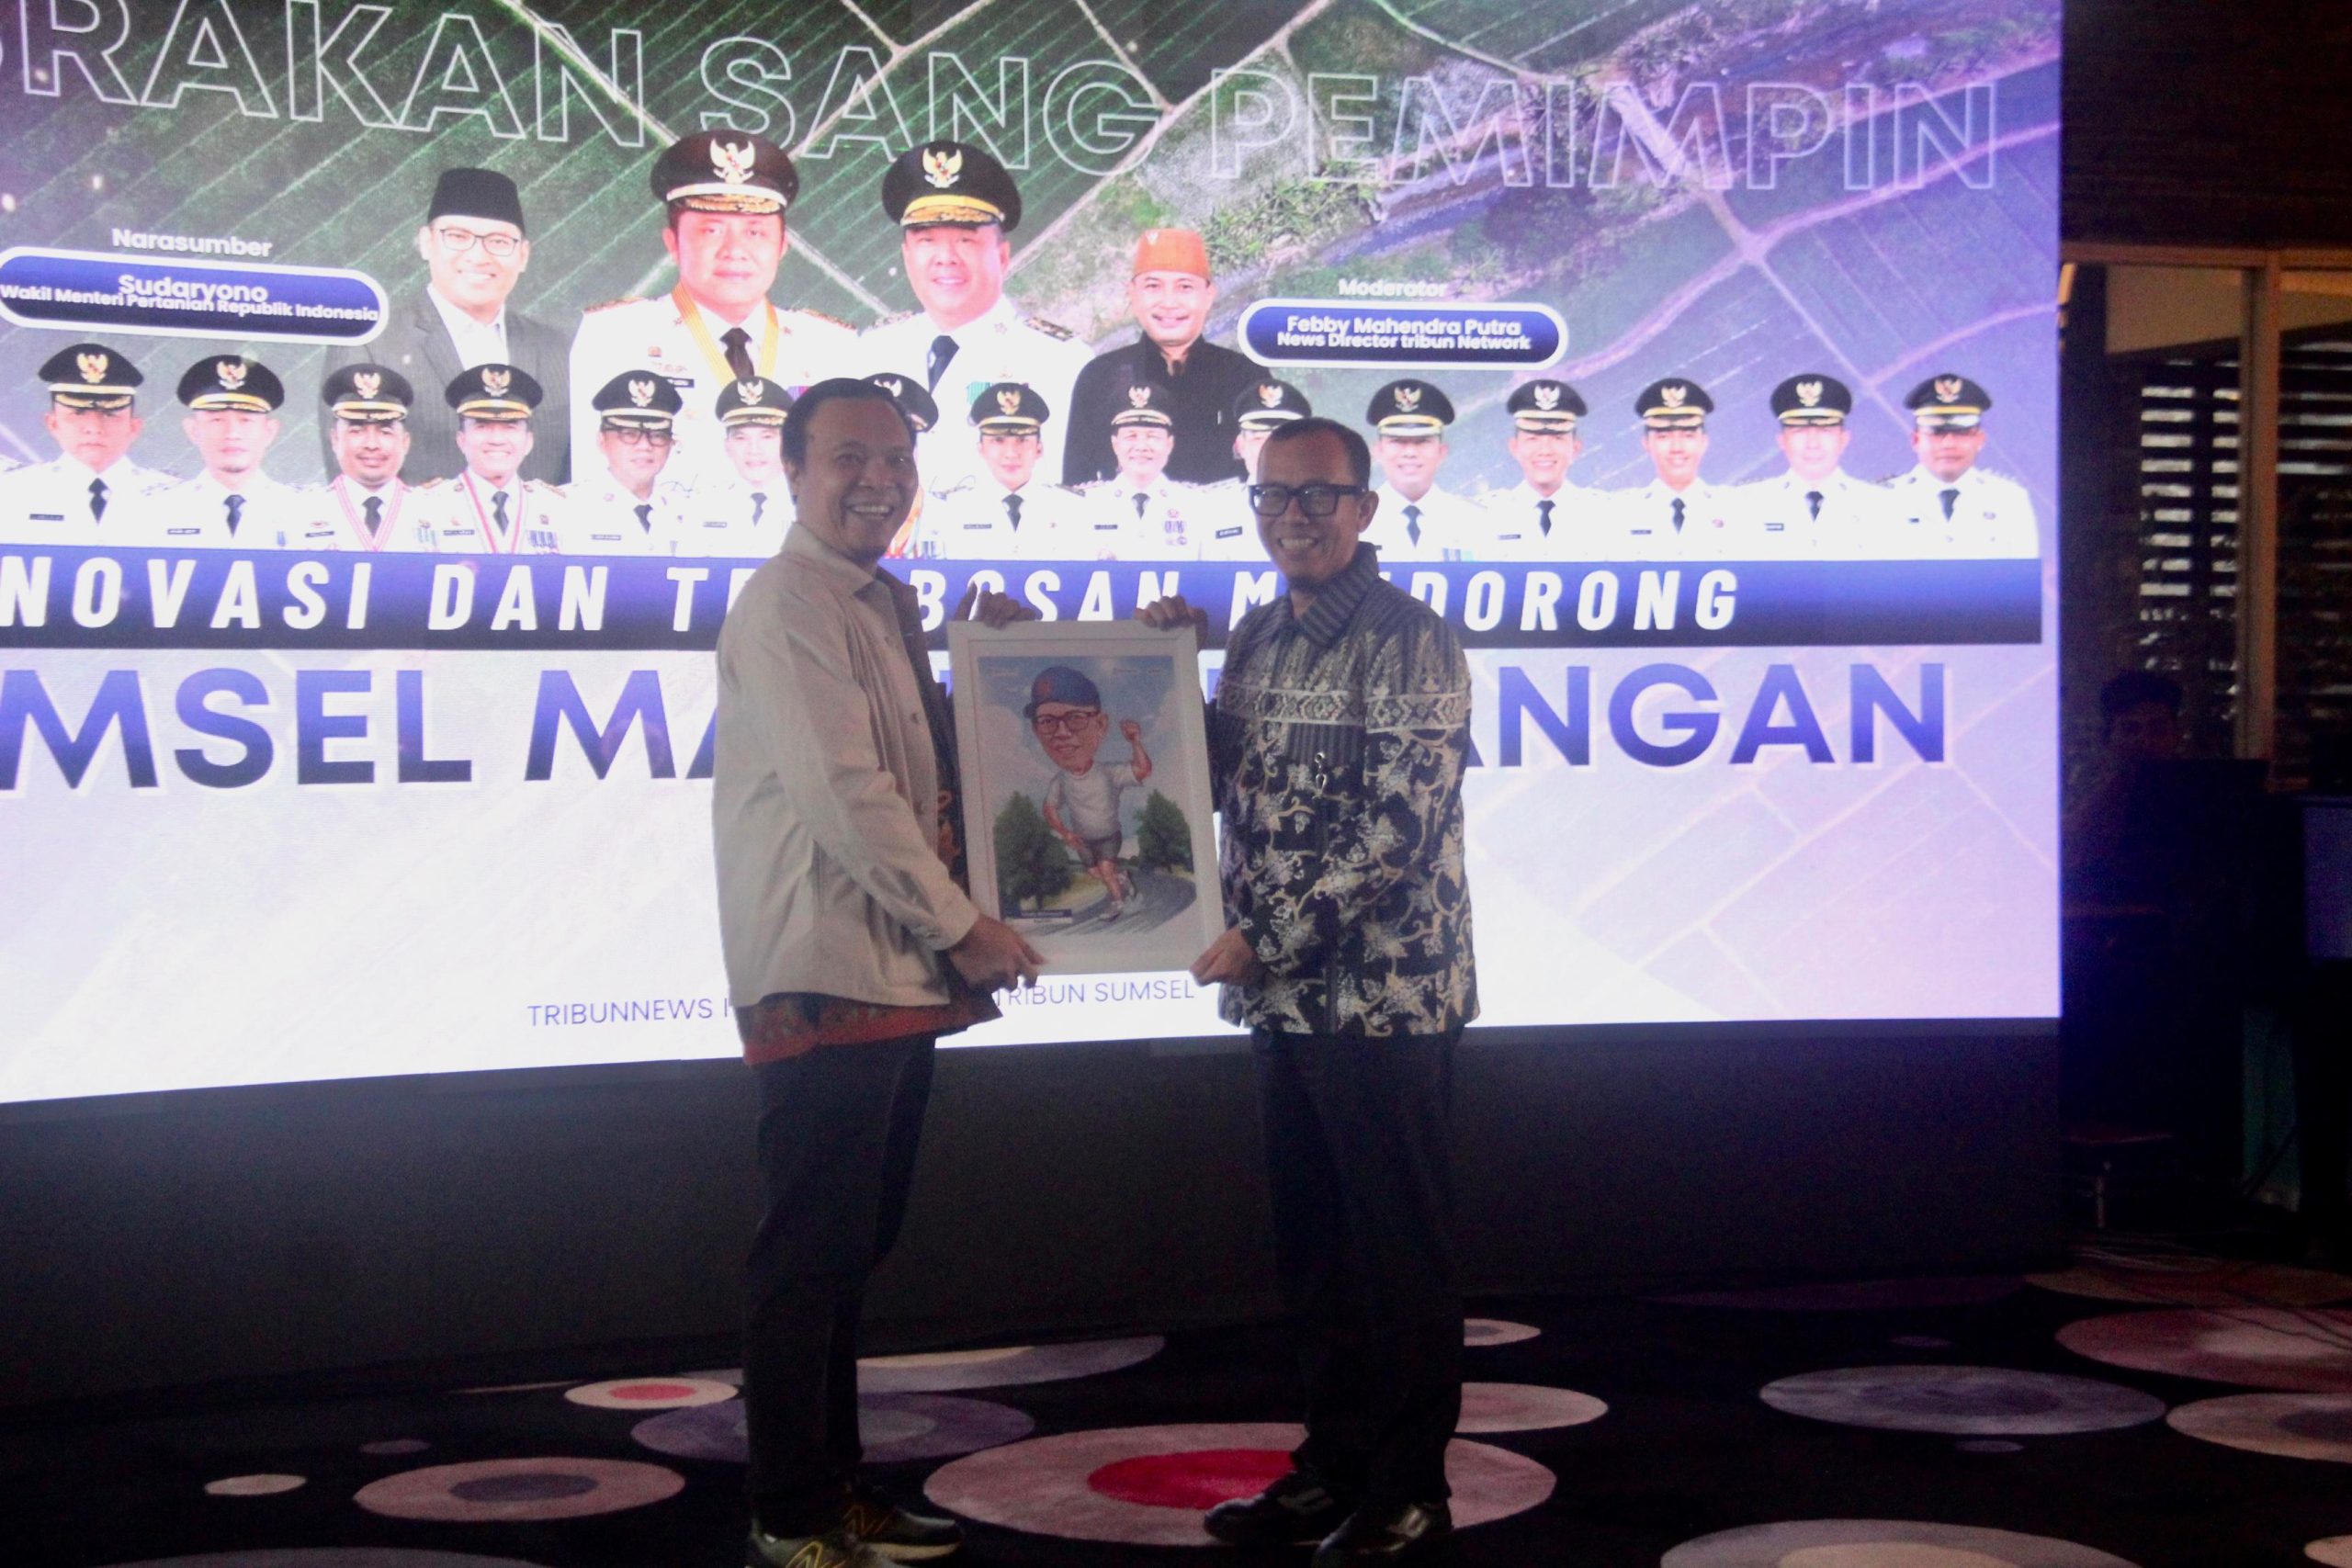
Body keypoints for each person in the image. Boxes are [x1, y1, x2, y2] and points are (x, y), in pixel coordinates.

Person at [713, 377, 1044, 1568]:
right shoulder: (789, 602)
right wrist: (962, 927)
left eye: (895, 459)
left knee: (851, 1249)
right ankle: (790, 1509)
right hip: (829, 961)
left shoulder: (876, 598)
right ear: (793, 471)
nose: (877, 480)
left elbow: (925, 762)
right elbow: (845, 792)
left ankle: (836, 1485)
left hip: (888, 966)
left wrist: (993, 661)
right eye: (848, 457)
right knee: (809, 1254)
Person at [1138, 416, 1476, 1568]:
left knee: (1396, 1253)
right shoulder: (1258, 634)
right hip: (1285, 999)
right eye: (1272, 497)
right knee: (1317, 1254)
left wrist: (1266, 935)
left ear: (1365, 509)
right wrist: (1163, 675)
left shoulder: (1411, 639)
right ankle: (1332, 1467)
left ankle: (1411, 1490)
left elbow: (1399, 825)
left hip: (1385, 1000)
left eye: (1317, 496)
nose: (1292, 517)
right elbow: (1219, 775)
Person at [570, 131, 855, 491]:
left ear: (782, 245)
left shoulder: (831, 347)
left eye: (755, 233)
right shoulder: (616, 337)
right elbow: (593, 483)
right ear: (673, 243)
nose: (734, 250)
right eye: (712, 231)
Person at [856, 141, 1088, 490]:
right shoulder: (871, 352)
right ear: (906, 255)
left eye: (966, 241)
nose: (945, 257)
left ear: (1003, 257)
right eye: (927, 241)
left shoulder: (1060, 363)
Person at [323, 167, 571, 486]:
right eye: (457, 237)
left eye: (499, 241)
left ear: (523, 255)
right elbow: (350, 487)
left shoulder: (559, 348)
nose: (478, 256)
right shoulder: (372, 340)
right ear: (427, 242)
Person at [1062, 228, 1261, 487]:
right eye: (1153, 286)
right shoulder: (1099, 376)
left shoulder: (1245, 376)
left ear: (1208, 295)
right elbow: (1076, 488)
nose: (1169, 302)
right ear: (1132, 293)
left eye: (1185, 287)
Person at [0, 344, 172, 545]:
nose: (94, 427)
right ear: (53, 423)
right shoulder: (11, 493)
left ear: (134, 427)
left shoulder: (172, 497)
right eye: (78, 413)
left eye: (110, 414)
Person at [1026, 665, 1153, 920]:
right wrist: (1065, 832)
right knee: (1095, 873)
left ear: (1101, 725)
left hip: (1108, 836)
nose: (1062, 733)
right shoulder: (1061, 781)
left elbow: (1142, 770)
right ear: (1036, 730)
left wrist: (1135, 741)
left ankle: (1118, 903)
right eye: (1047, 722)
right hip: (1082, 840)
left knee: (1104, 870)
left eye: (1076, 718)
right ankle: (1122, 878)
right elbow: (1049, 808)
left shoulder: (1108, 773)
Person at [916, 383, 1089, 558]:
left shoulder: (1071, 508)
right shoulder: (949, 509)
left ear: (1039, 448)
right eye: (998, 441)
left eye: (1022, 440)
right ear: (981, 448)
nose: (1011, 453)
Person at [1734, 373, 1896, 557]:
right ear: (1781, 441)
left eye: (1825, 430)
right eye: (1799, 431)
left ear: (1844, 440)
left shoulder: (1881, 506)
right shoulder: (1748, 505)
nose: (1812, 444)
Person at [164, 355, 312, 548]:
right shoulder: (156, 511)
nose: (232, 434)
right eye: (217, 420)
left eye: (246, 421)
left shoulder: (306, 510)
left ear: (269, 431)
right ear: (193, 430)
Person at [421, 365, 571, 553]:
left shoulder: (560, 509)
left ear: (528, 441)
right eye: (482, 426)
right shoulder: (427, 507)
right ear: (461, 440)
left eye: (510, 427)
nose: (497, 440)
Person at [1886, 373, 2040, 557]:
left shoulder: (2009, 500)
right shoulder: (1882, 500)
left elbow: (2022, 572)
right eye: (1936, 433)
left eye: (1961, 433)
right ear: (1916, 440)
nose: (1948, 444)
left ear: (1980, 439)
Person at [296, 365, 438, 551]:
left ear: (405, 442)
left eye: (385, 432)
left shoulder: (437, 511)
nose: (371, 444)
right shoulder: (300, 512)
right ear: (335, 439)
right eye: (357, 431)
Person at [1610, 377, 1744, 558]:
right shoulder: (1621, 513)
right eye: (1663, 437)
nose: (1676, 448)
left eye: (1688, 436)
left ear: (1704, 442)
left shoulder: (1735, 509)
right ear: (1646, 443)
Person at [672, 378, 797, 558]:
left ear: (787, 443)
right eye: (741, 438)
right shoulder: (703, 506)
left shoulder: (813, 508)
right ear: (727, 446)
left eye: (767, 437)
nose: (754, 450)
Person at [1076, 380, 1202, 557]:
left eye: (1153, 436)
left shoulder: (1197, 506)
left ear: (1169, 444)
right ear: (1115, 444)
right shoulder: (1084, 506)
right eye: (1131, 436)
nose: (1141, 447)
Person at [569, 371, 687, 556]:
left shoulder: (690, 512)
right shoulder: (568, 508)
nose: (645, 446)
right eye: (629, 434)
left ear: (671, 444)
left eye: (657, 435)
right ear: (602, 441)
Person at [1476, 378, 1590, 559]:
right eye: (1532, 439)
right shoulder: (1484, 515)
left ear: (1575, 448)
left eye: (1558, 438)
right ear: (1514, 447)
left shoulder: (1602, 515)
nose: (1545, 450)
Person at [1198, 378, 1312, 561]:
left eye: (1282, 439)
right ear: (1240, 445)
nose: (1270, 450)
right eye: (1258, 438)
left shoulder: (1328, 507)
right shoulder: (1209, 509)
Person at [1363, 379, 1475, 562]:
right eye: (1397, 441)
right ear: (1378, 451)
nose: (1410, 453)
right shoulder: (1356, 521)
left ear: (1442, 451)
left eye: (1423, 441)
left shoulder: (1473, 520)